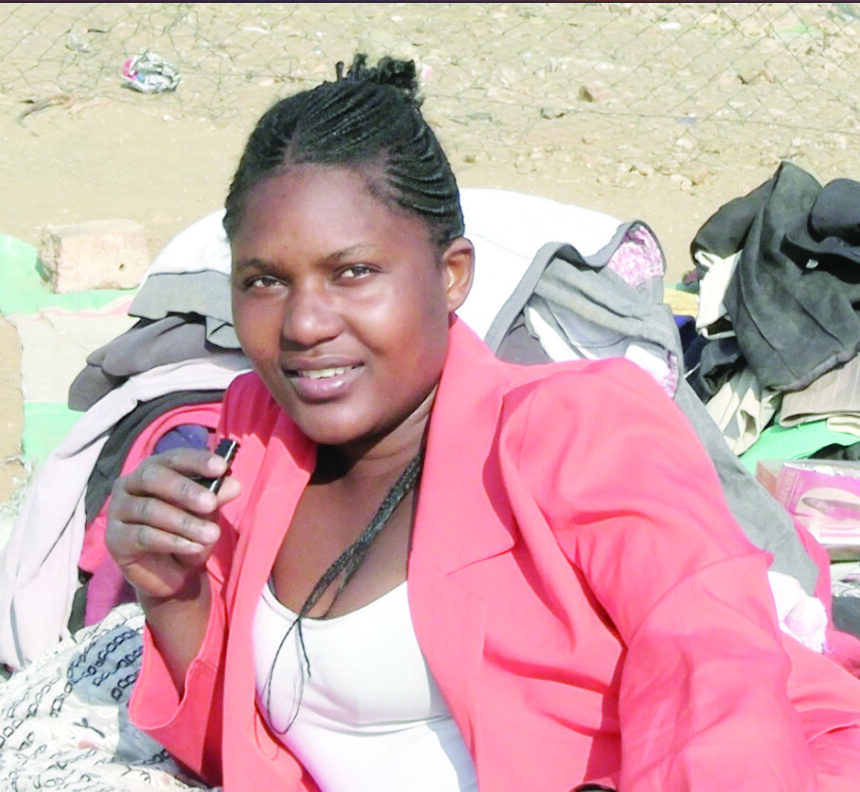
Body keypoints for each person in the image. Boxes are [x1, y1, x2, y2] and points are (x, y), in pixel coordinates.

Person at [105, 54, 860, 792]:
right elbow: (241, 747)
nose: (304, 323)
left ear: (452, 274)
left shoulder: (576, 430)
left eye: (353, 273)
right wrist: (173, 595)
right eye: (264, 281)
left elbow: (711, 674)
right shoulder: (253, 448)